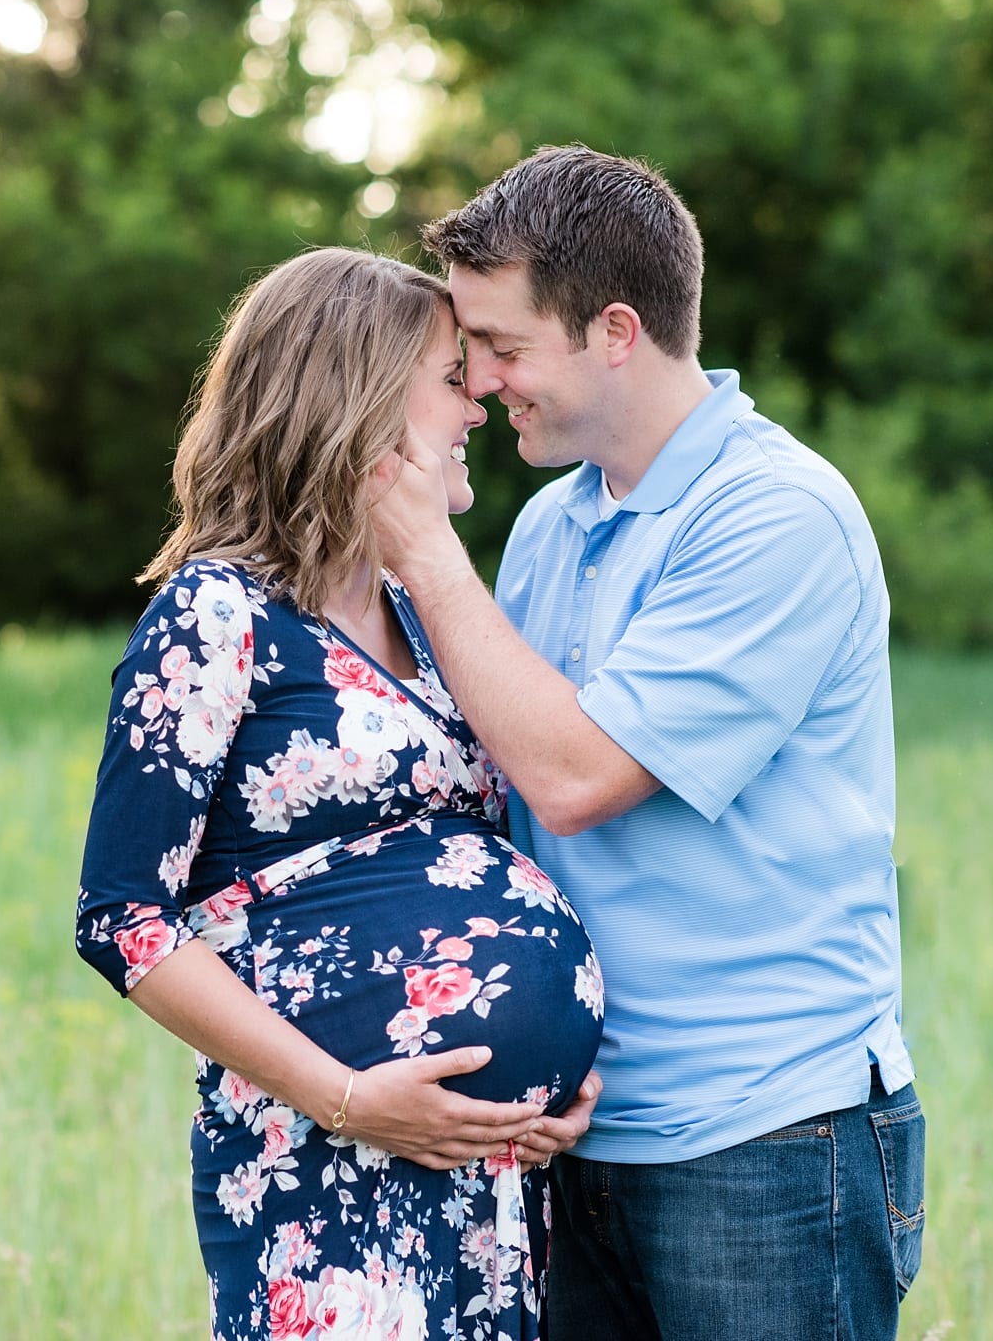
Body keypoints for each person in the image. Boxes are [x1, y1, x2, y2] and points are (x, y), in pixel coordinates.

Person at [369, 145, 926, 1340]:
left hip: (764, 1140)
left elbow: (573, 779)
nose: (479, 381)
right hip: (575, 1127)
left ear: (616, 330)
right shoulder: (552, 527)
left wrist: (419, 547)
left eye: (506, 348)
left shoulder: (778, 517)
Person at [76, 247, 605, 1340]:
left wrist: (547, 1080)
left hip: (488, 1180)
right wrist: (355, 1099)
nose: (478, 401)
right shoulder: (216, 617)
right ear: (358, 399)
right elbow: (121, 922)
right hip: (322, 1169)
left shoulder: (424, 616)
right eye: (453, 376)